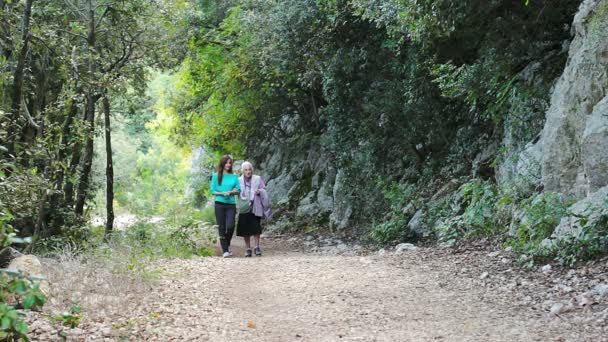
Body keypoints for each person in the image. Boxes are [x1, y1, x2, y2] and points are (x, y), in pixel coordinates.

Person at [236, 161, 270, 257]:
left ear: (252, 170)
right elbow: (236, 191)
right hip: (243, 206)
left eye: (249, 169)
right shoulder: (238, 180)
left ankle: (257, 247)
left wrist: (260, 191)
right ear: (243, 171)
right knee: (245, 229)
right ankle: (248, 249)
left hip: (255, 205)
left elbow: (264, 189)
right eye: (246, 170)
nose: (248, 171)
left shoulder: (257, 178)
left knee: (256, 227)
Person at [210, 155, 240, 258]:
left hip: (231, 204)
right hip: (219, 204)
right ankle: (225, 250)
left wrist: (231, 192)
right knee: (221, 227)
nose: (228, 165)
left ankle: (226, 244)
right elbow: (212, 191)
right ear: (222, 163)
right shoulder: (215, 176)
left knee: (231, 226)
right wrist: (222, 194)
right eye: (226, 162)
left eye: (230, 163)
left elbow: (238, 190)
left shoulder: (234, 177)